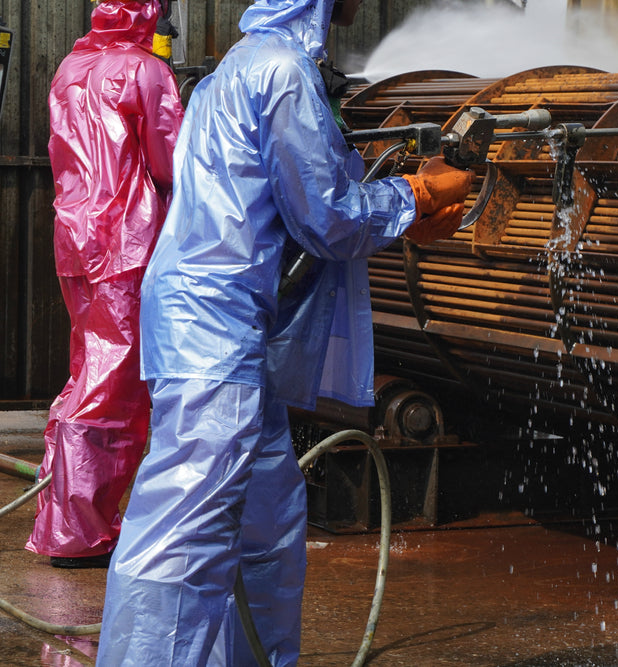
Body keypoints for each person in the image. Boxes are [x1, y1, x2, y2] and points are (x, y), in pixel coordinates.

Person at [97, 0, 472, 664]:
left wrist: (378, 179)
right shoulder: (283, 73)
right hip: (215, 326)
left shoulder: (239, 69)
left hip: (230, 323)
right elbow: (325, 217)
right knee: (185, 532)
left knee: (266, 523)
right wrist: (413, 194)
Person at [26, 0, 183, 569]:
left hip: (76, 239)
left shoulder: (69, 68)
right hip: (126, 242)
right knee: (111, 387)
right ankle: (79, 530)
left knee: (86, 369)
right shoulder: (146, 71)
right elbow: (171, 164)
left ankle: (67, 516)